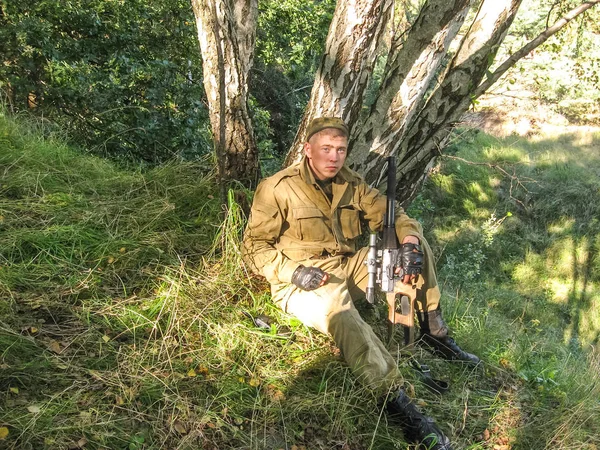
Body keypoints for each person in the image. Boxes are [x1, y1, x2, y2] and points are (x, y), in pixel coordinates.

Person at [242, 117, 480, 450]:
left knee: (412, 247)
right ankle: (396, 401)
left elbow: (391, 213)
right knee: (337, 309)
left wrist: (408, 239)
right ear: (307, 150)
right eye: (325, 148)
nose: (333, 157)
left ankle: (432, 331)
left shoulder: (351, 183)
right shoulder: (277, 187)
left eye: (340, 149)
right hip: (300, 283)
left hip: (345, 268)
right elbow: (253, 247)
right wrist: (293, 272)